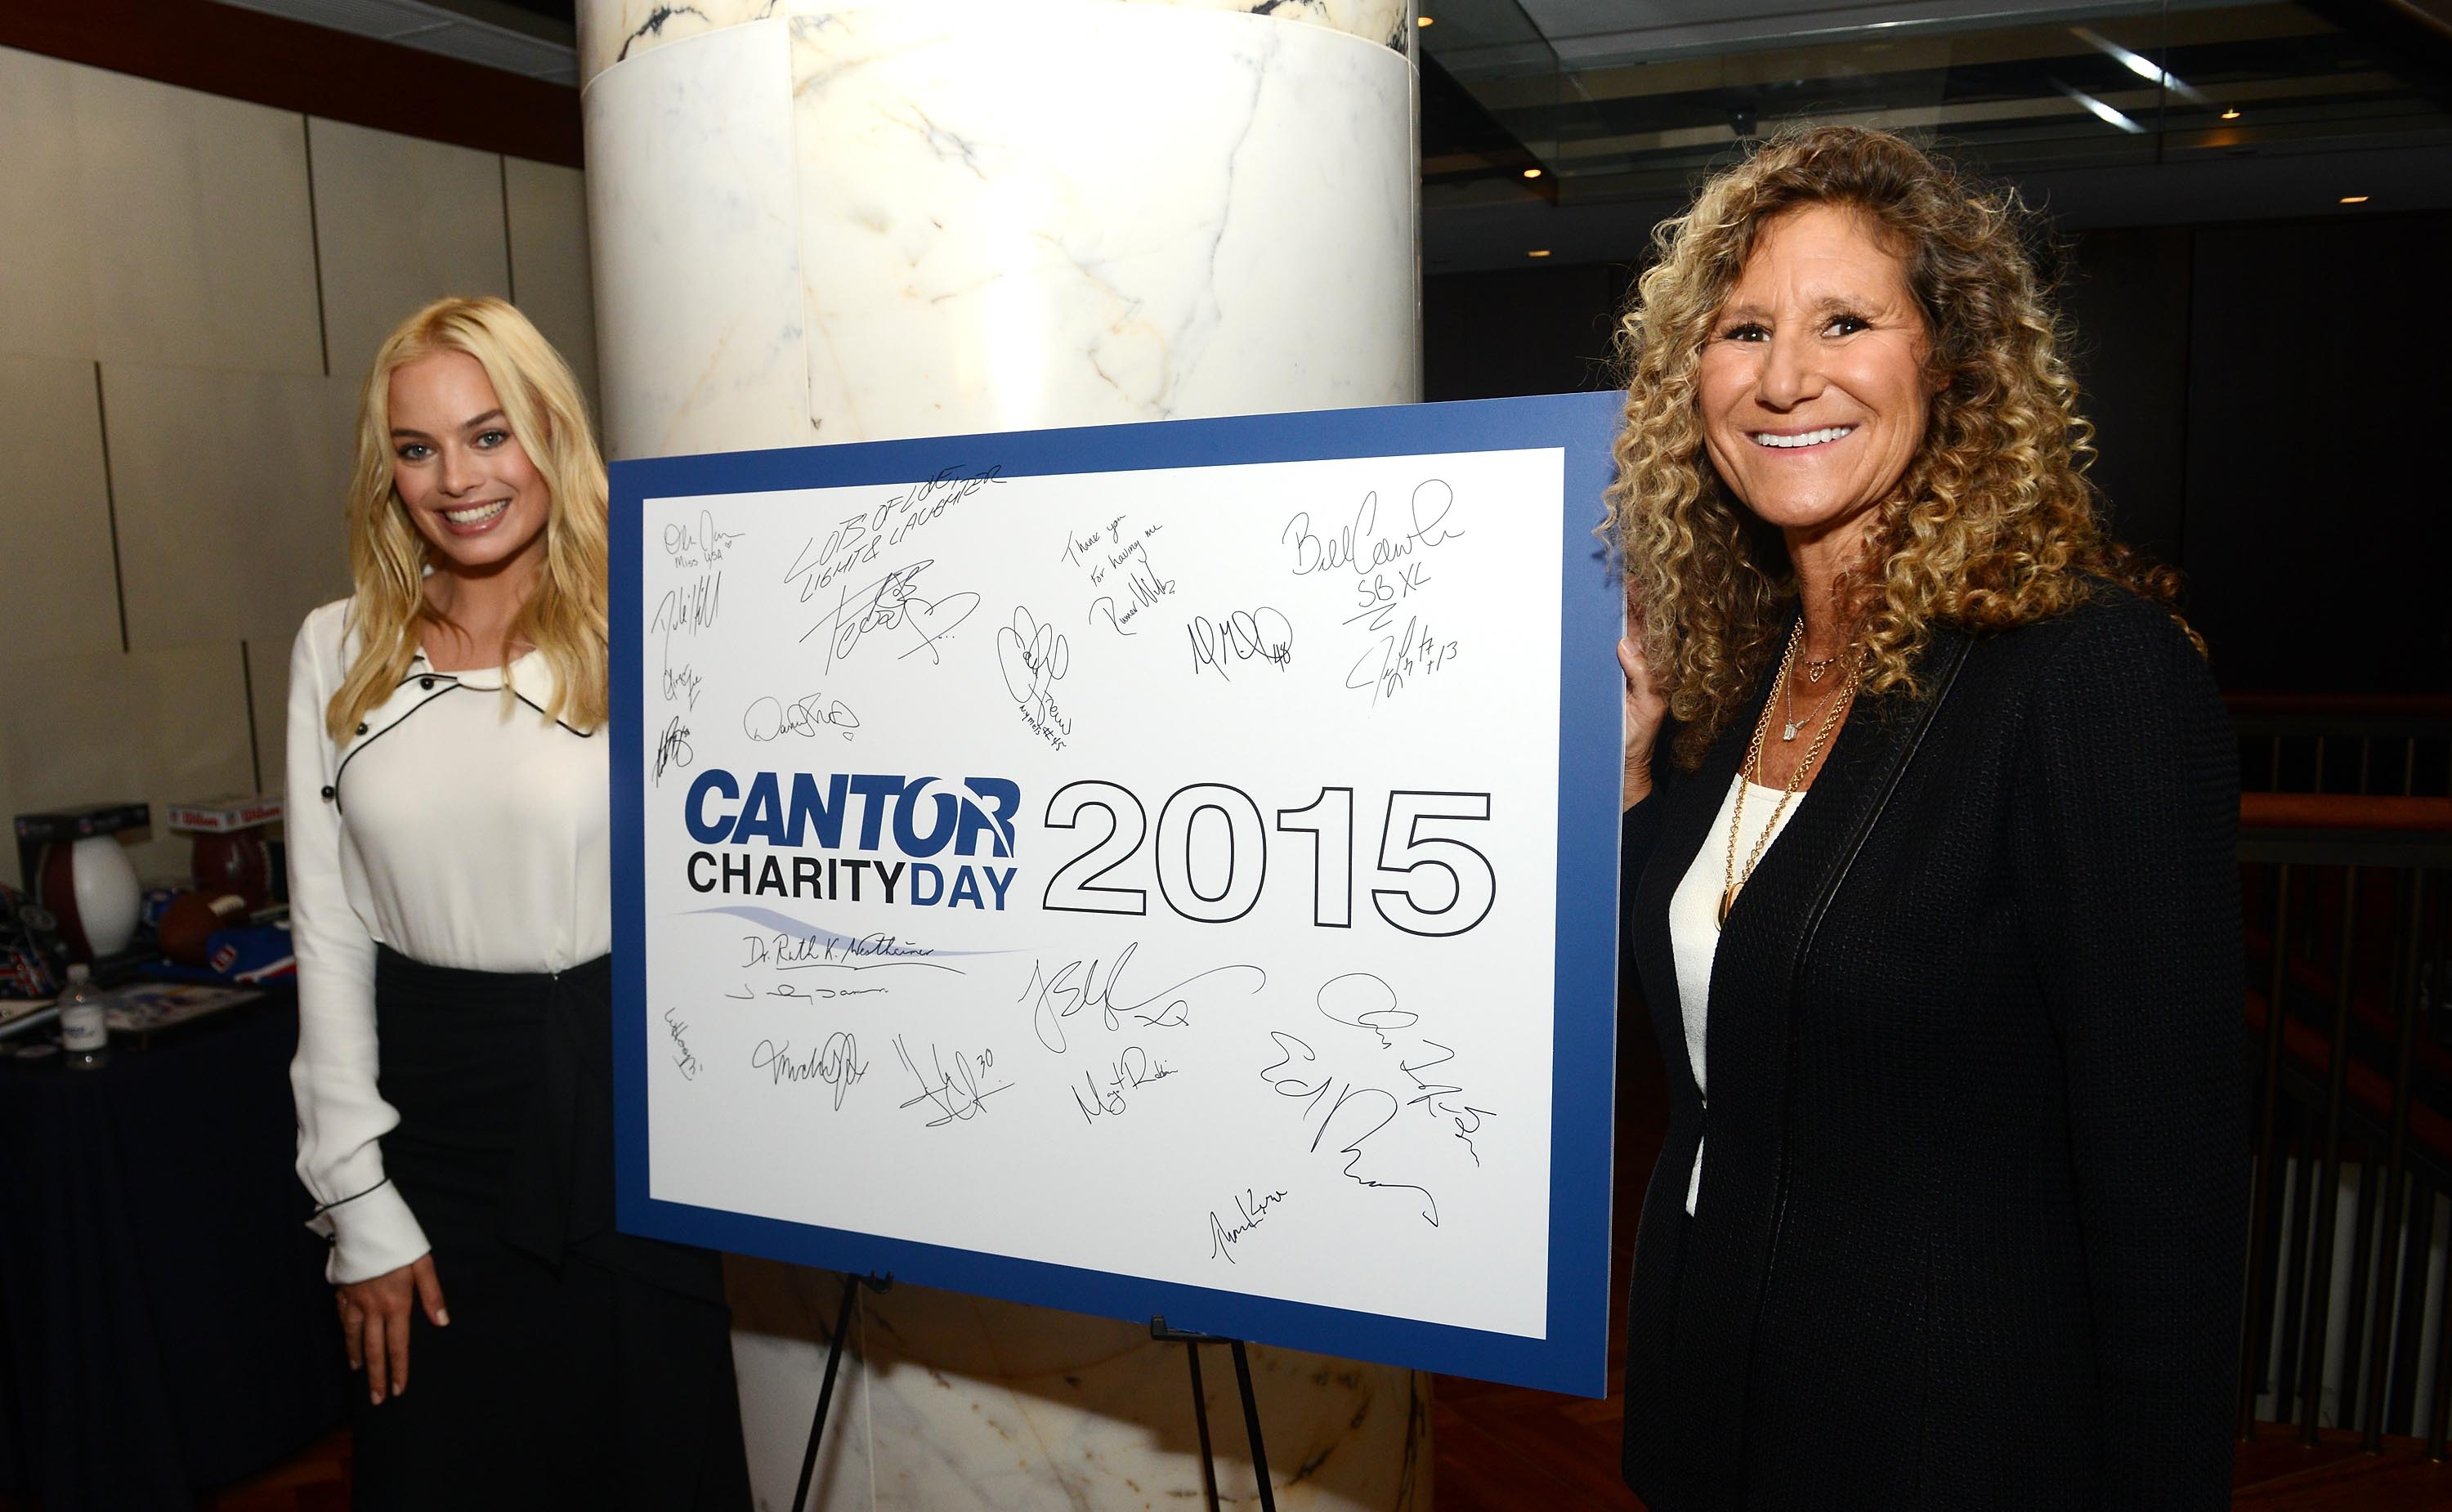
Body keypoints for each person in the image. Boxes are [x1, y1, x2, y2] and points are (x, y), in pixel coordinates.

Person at [1607, 126, 2246, 1509]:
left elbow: (2172, 1191)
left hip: (1943, 1439)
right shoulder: (1746, 669)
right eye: (1744, 330)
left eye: (1845, 321)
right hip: (1714, 1411)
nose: (1786, 377)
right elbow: (1717, 994)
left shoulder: (2087, 675)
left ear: (1949, 361)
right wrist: (1636, 775)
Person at [287, 297, 751, 1509]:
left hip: (627, 1119)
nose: (458, 479)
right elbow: (328, 934)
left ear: (550, 430)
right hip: (426, 1135)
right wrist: (355, 1200)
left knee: (651, 1462)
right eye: (418, 447)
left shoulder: (654, 621)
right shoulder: (337, 648)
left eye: (489, 434)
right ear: (387, 471)